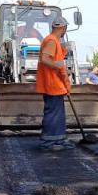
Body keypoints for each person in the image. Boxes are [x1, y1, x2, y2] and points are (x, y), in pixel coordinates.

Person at [35, 16, 74, 151]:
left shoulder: (53, 41)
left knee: (58, 114)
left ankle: (58, 139)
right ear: (63, 28)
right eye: (65, 29)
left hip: (55, 84)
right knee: (53, 114)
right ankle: (47, 143)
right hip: (52, 84)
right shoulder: (51, 40)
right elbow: (45, 58)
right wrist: (60, 68)